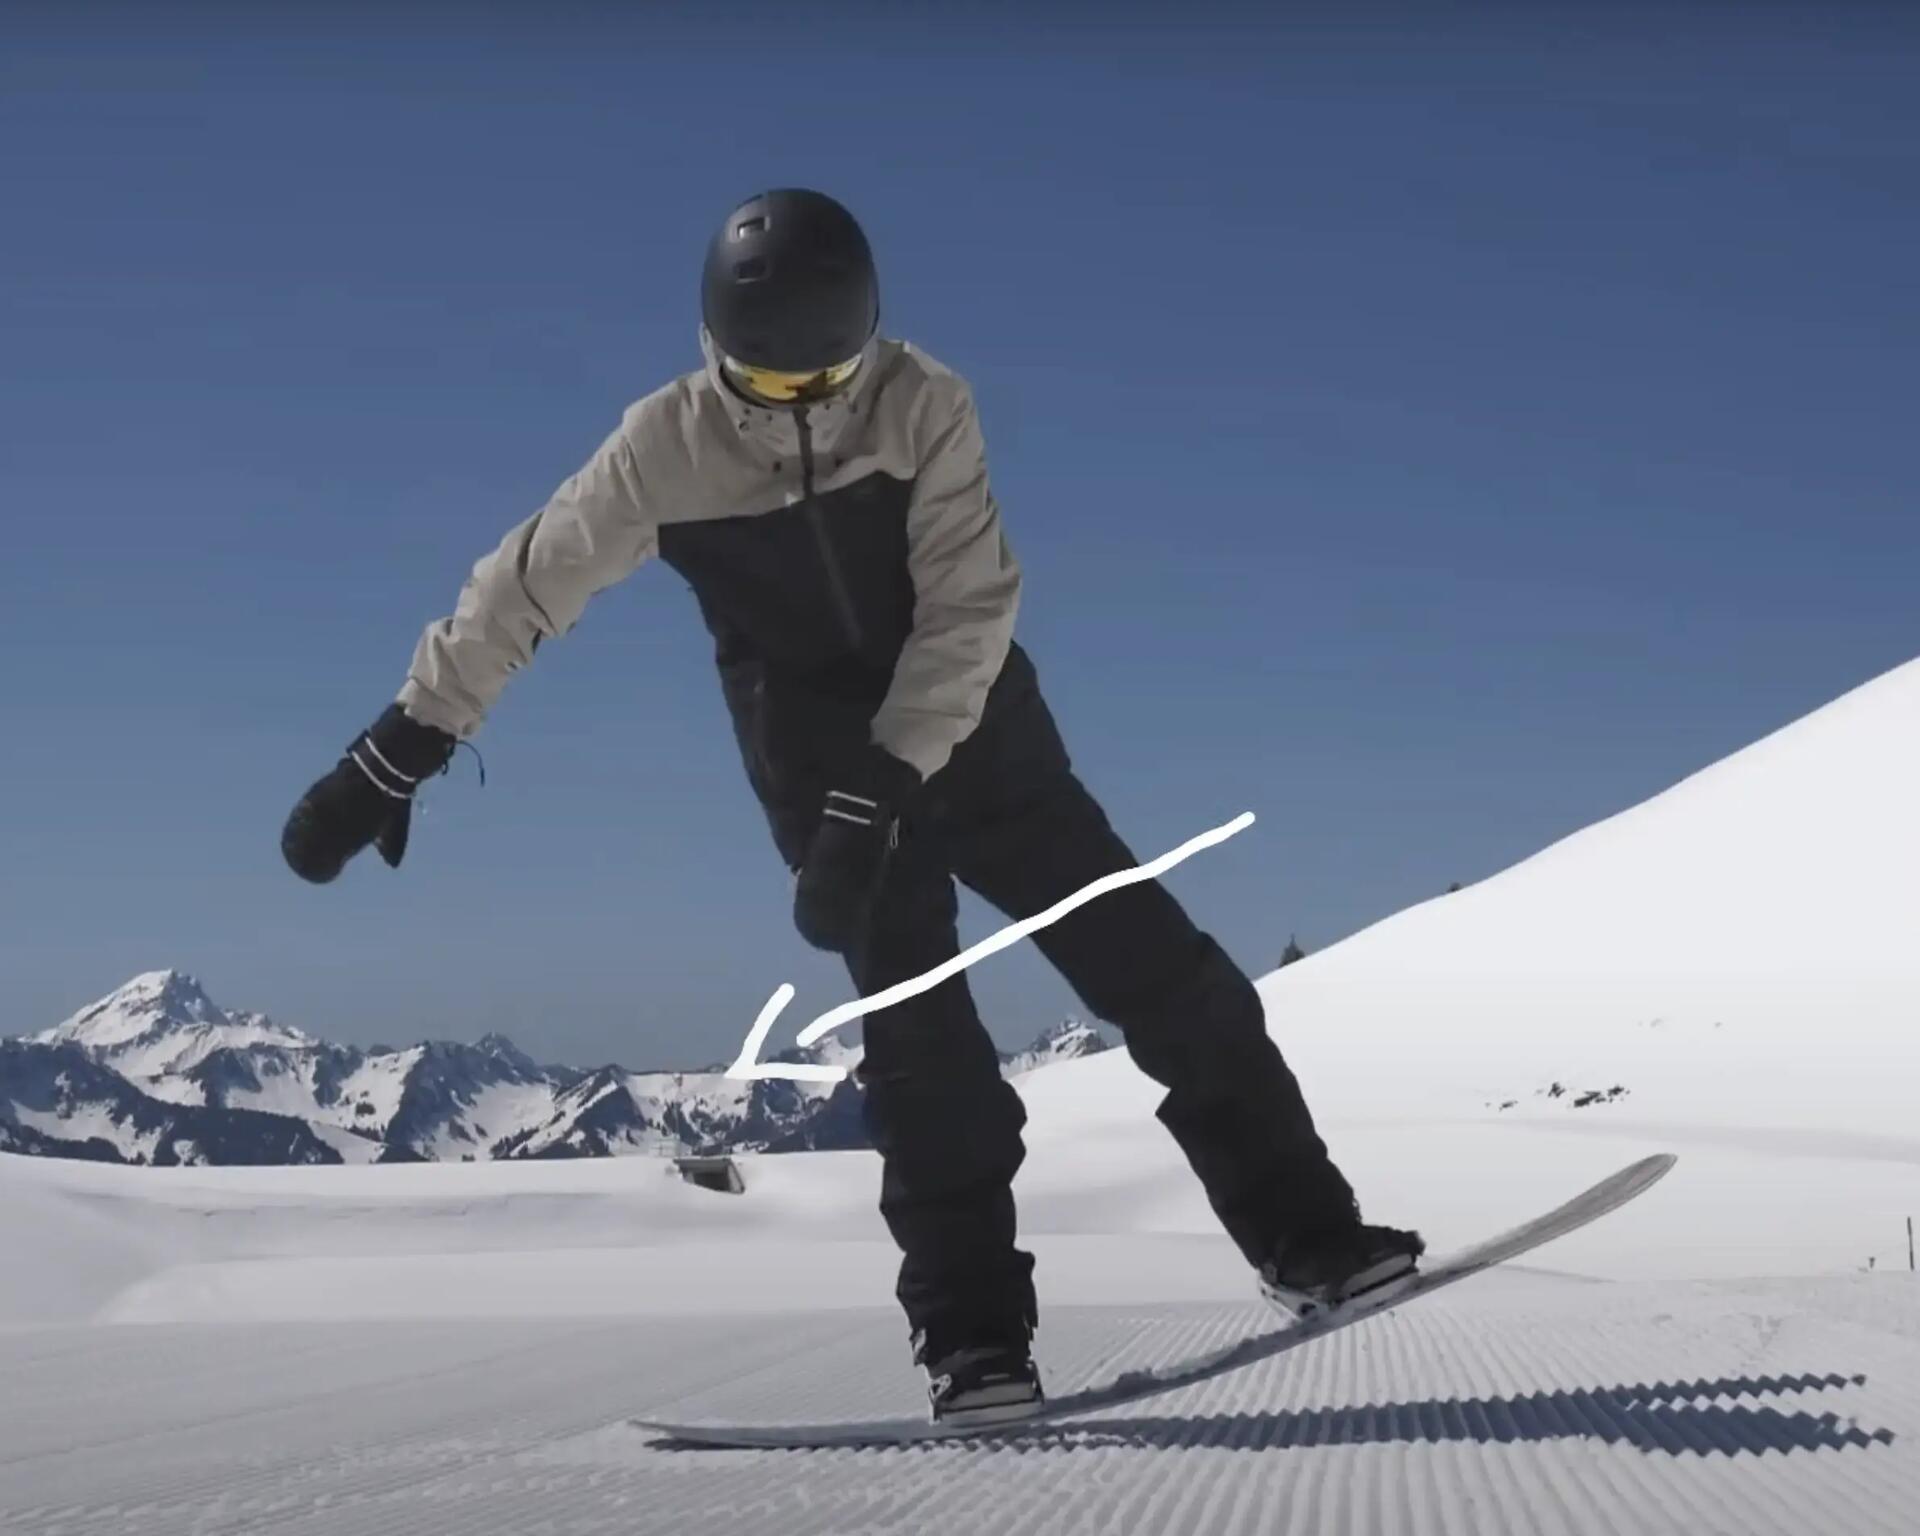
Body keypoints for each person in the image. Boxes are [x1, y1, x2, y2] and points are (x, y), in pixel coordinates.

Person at [281, 188, 1422, 1427]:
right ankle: (974, 1341)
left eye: (830, 377)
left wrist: (890, 779)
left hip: (981, 741)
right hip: (817, 771)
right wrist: (403, 744)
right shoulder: (665, 446)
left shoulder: (925, 402)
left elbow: (969, 609)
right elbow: (527, 586)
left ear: (870, 338)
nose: (806, 406)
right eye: (771, 386)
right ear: (717, 352)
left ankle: (1308, 1239)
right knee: (927, 1057)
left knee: (1167, 978)